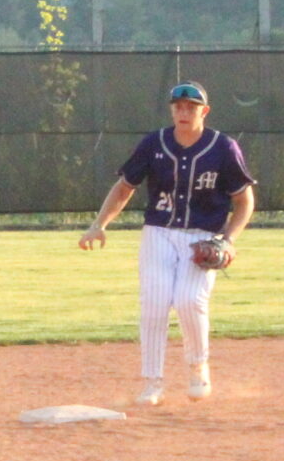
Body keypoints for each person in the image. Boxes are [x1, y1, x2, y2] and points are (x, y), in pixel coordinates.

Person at [78, 81, 256, 404]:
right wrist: (98, 224)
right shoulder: (154, 143)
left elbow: (244, 201)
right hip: (158, 233)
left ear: (205, 111)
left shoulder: (223, 147)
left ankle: (198, 368)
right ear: (172, 110)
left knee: (189, 300)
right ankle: (152, 382)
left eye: (192, 107)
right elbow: (124, 188)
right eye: (179, 107)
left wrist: (229, 240)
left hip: (203, 236)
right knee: (155, 303)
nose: (184, 112)